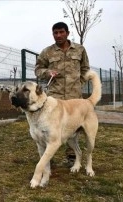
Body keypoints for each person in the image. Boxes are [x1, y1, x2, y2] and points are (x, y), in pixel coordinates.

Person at [34, 22, 90, 166]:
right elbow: (38, 69)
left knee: (74, 127)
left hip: (74, 97)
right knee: (49, 126)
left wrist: (79, 84)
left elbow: (85, 69)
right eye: (55, 33)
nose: (58, 35)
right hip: (55, 97)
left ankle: (71, 156)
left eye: (61, 32)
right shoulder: (47, 52)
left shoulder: (79, 50)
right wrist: (47, 72)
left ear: (67, 33)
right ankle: (48, 158)